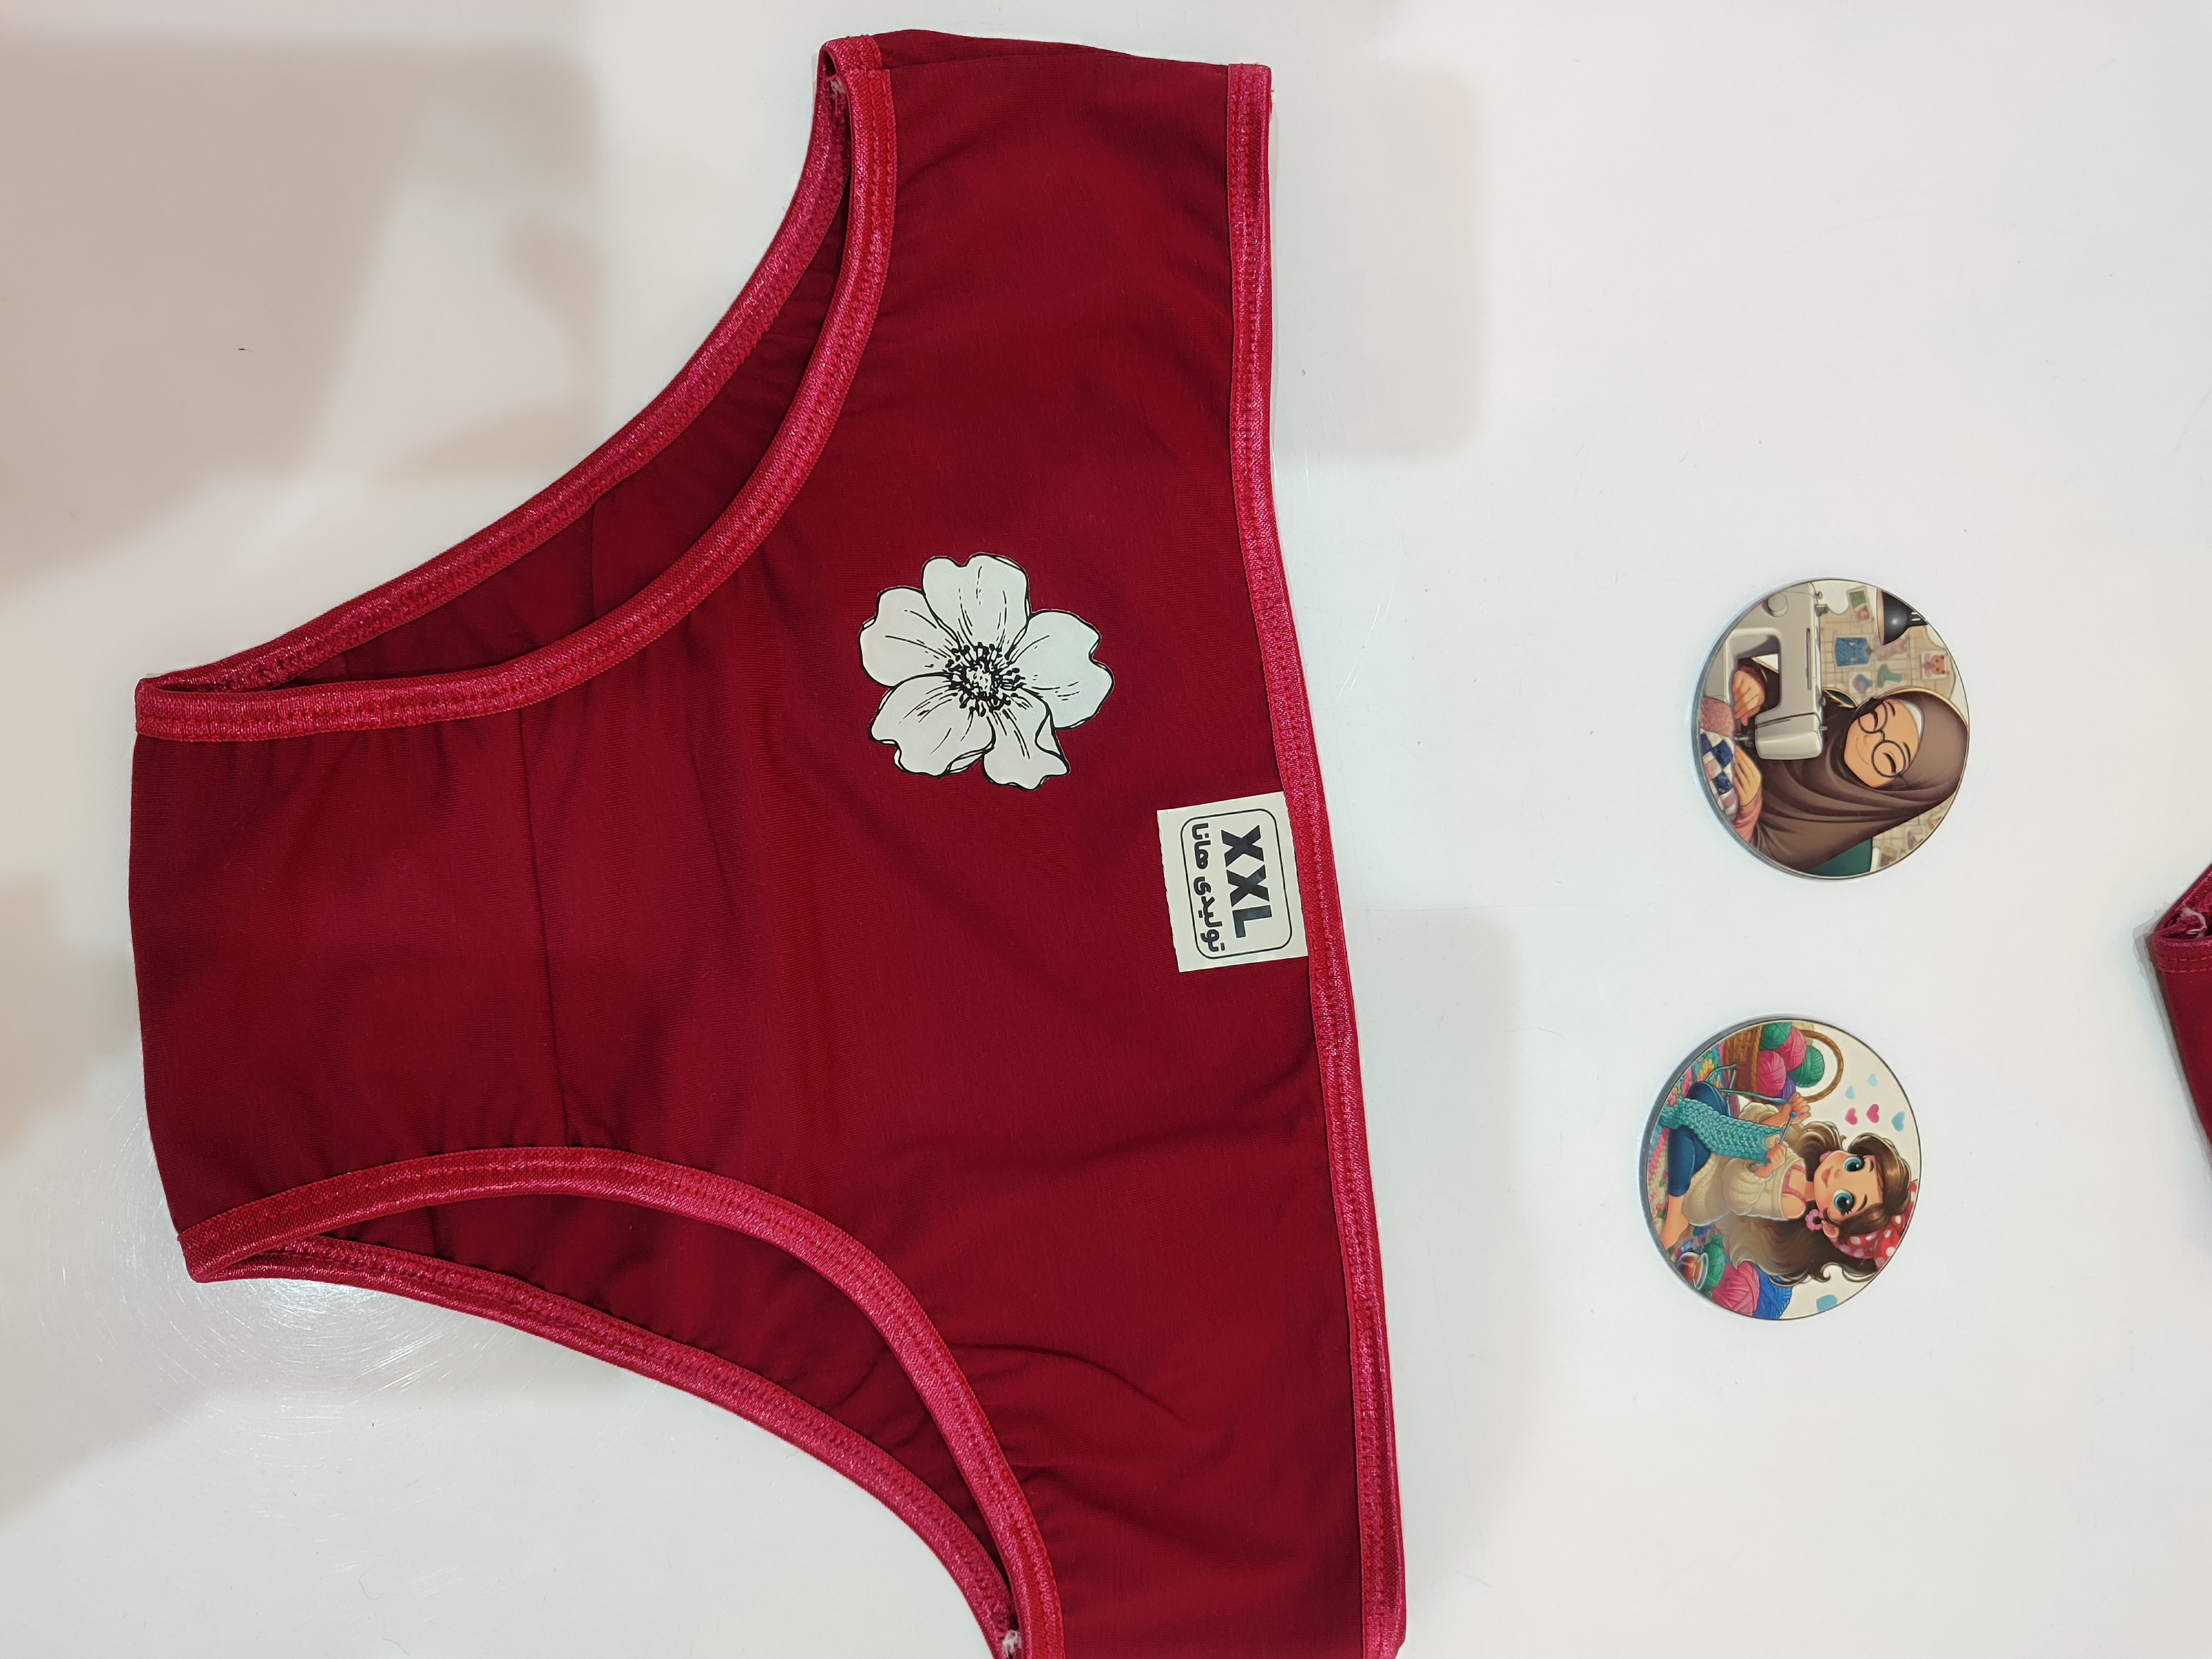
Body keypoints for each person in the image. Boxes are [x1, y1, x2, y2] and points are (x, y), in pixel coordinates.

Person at [1725, 664, 1968, 873]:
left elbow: (1752, 863)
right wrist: (1756, 685)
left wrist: (1749, 811)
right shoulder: (1835, 713)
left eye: (1889, 757)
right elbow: (1778, 689)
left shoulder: (1835, 840)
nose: (1869, 739)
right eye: (1878, 717)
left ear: (1898, 795)